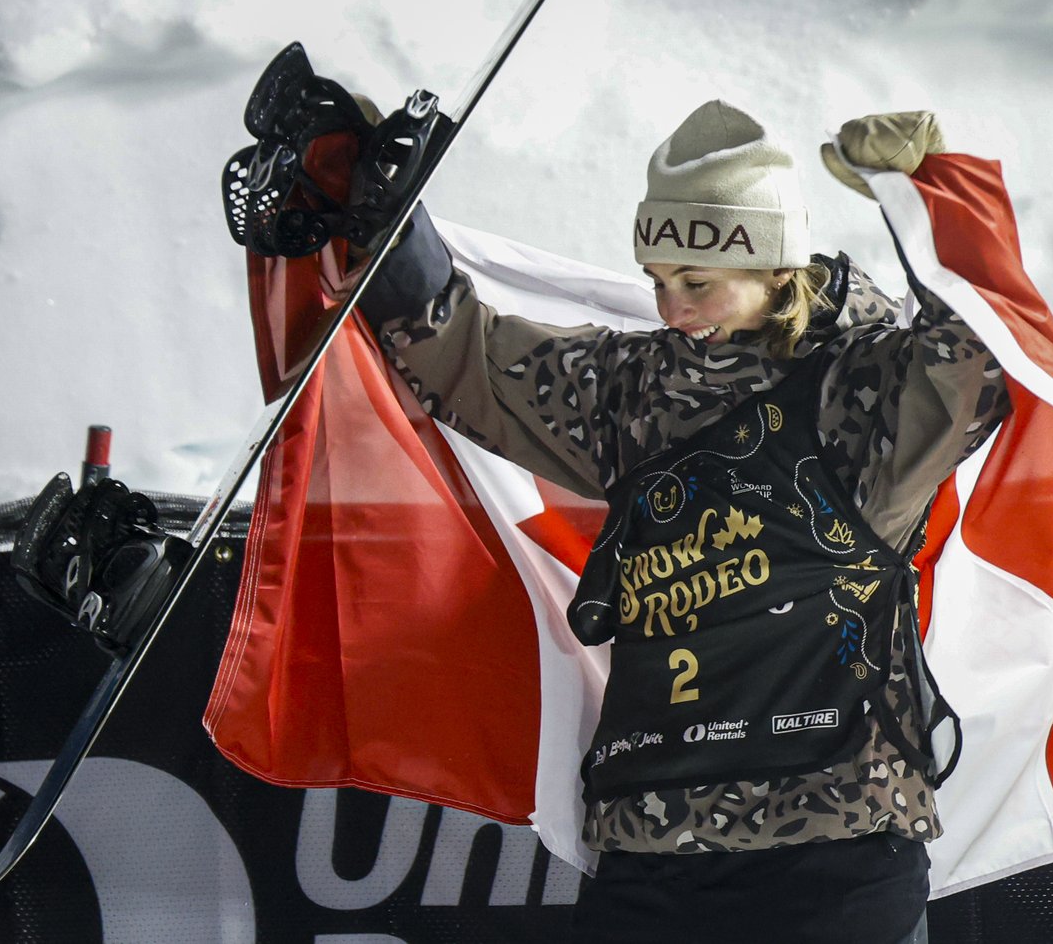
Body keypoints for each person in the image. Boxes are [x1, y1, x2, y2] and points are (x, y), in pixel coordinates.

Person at [355, 100, 1008, 943]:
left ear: (777, 268)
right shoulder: (635, 391)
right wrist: (384, 224)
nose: (671, 308)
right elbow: (469, 358)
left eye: (696, 282)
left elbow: (981, 358)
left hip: (835, 851)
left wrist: (925, 197)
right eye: (659, 280)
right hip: (654, 849)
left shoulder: (865, 393)